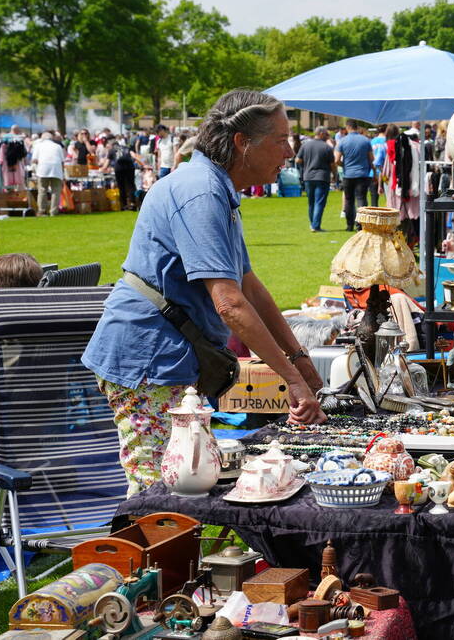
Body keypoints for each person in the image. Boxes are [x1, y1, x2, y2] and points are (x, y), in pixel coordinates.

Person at [82, 89, 324, 497]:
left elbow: (250, 287)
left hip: (166, 360)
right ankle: (143, 564)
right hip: (149, 362)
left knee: (184, 487)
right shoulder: (201, 192)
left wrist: (300, 364)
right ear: (242, 143)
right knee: (161, 493)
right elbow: (230, 303)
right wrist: (292, 380)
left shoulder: (215, 189)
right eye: (281, 139)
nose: (290, 151)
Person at [334, 119, 374, 232]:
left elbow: (336, 160)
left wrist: (344, 165)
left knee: (348, 200)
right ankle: (361, 225)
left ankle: (349, 225)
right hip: (362, 174)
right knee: (361, 199)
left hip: (348, 175)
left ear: (347, 127)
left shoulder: (342, 141)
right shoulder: (365, 140)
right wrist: (373, 172)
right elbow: (371, 159)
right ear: (357, 127)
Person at [295, 127, 334, 232]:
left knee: (311, 202)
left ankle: (312, 224)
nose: (327, 136)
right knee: (319, 202)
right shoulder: (327, 147)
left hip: (308, 177)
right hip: (322, 177)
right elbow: (332, 164)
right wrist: (334, 175)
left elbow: (298, 160)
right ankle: (315, 226)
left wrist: (307, 163)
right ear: (321, 134)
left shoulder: (305, 145)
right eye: (326, 134)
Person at [32, 131, 65, 216]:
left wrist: (35, 170)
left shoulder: (38, 146)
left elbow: (34, 160)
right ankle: (53, 211)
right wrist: (63, 174)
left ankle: (42, 210)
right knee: (56, 191)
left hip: (43, 169)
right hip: (56, 169)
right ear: (52, 138)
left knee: (42, 190)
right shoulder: (58, 146)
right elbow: (62, 162)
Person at [110, 136, 138, 211]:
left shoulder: (112, 150)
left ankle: (124, 205)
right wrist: (142, 163)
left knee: (121, 187)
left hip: (119, 168)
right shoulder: (126, 148)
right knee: (131, 185)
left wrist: (102, 168)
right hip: (129, 167)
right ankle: (133, 204)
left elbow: (106, 162)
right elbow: (134, 155)